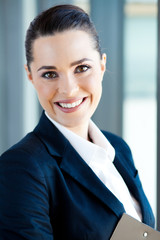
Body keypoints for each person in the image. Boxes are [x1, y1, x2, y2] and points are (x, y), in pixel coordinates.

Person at [0, 4, 155, 240]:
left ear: (102, 65)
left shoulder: (119, 149)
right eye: (50, 74)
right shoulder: (22, 168)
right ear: (30, 76)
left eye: (82, 68)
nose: (69, 89)